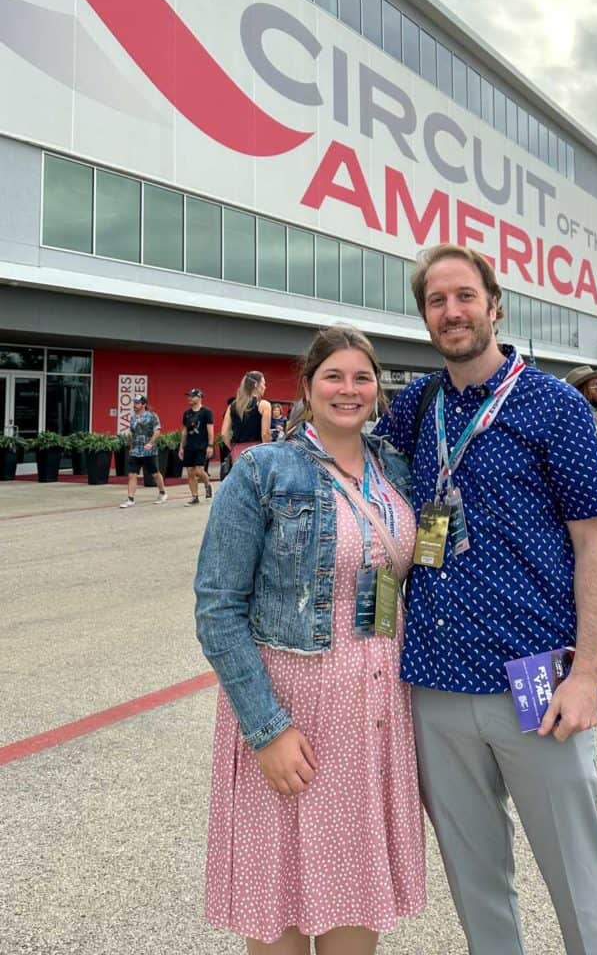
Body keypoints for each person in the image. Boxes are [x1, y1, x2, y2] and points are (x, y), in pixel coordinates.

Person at [375, 243, 597, 955]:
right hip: (435, 679)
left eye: (464, 296)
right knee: (475, 880)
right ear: (424, 316)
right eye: (436, 301)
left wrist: (585, 676)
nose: (451, 312)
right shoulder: (416, 409)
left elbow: (596, 545)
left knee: (578, 876)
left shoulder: (553, 406)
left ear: (495, 305)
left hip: (537, 678)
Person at [194, 327, 426, 955]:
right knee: (283, 905)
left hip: (377, 713)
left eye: (361, 378)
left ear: (377, 390)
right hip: (295, 710)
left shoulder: (395, 468)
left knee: (355, 900)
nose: (348, 390)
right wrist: (266, 729)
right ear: (306, 387)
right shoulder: (263, 471)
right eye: (333, 376)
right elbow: (218, 608)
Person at [118, 395, 167, 508]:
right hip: (136, 451)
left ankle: (162, 493)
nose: (135, 405)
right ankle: (130, 499)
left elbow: (157, 431)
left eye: (137, 403)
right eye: (134, 402)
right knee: (132, 474)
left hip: (149, 451)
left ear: (144, 404)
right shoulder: (133, 417)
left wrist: (151, 443)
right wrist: (131, 447)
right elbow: (132, 434)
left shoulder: (152, 416)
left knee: (155, 473)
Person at [220, 370, 271, 463]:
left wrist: (233, 448)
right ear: (256, 385)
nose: (265, 387)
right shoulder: (263, 405)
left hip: (237, 451)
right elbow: (265, 434)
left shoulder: (232, 406)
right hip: (257, 451)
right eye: (263, 383)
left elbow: (224, 433)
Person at [180, 388, 214, 506]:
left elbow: (210, 430)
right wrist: (181, 447)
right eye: (189, 396)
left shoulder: (206, 412)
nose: (189, 398)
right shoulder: (187, 413)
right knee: (190, 472)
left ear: (199, 398)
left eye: (192, 396)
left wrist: (210, 445)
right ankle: (195, 497)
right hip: (189, 445)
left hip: (202, 445)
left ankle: (207, 484)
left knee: (199, 470)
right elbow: (184, 431)